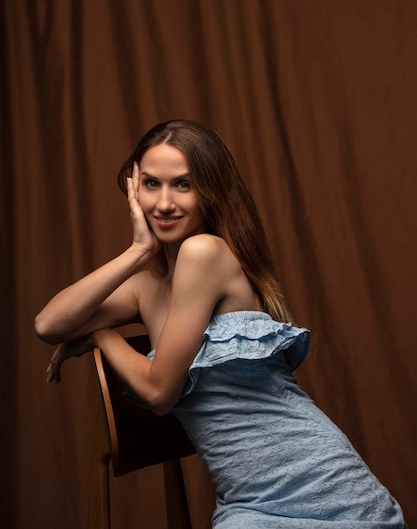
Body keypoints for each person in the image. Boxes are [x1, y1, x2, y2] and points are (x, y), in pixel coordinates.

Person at [35, 119, 406, 528]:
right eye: (151, 184)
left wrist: (98, 333)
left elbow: (159, 392)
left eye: (183, 184)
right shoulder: (148, 285)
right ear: (132, 188)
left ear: (210, 192)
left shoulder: (203, 253)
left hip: (320, 488)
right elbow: (49, 324)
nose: (163, 204)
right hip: (248, 501)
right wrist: (138, 251)